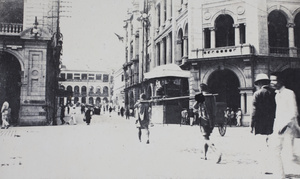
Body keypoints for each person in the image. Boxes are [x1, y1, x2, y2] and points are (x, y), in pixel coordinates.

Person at [269, 72, 299, 178]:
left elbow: (293, 112)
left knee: (291, 156)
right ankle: (279, 175)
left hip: (288, 128)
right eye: (271, 80)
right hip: (279, 128)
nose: (272, 82)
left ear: (281, 81)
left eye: (274, 80)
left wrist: (285, 125)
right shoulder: (277, 95)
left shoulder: (289, 93)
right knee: (275, 150)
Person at [250, 73, 276, 174]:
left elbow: (254, 111)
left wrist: (251, 125)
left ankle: (264, 168)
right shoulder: (275, 93)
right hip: (272, 123)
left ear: (259, 83)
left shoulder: (257, 94)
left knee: (262, 147)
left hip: (260, 124)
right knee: (272, 146)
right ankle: (273, 167)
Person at [193, 83, 222, 163]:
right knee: (206, 138)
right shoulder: (212, 97)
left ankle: (217, 152)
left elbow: (194, 106)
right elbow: (214, 109)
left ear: (201, 89)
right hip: (211, 121)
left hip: (203, 120)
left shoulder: (201, 97)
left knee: (206, 138)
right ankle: (204, 155)